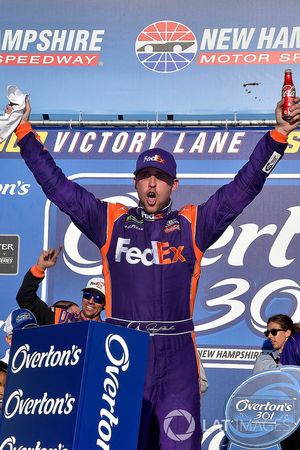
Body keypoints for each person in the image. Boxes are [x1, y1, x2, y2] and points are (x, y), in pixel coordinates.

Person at [14, 96, 300, 450]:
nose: (152, 185)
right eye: (145, 177)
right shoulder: (111, 221)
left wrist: (279, 136)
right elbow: (58, 187)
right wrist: (24, 133)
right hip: (124, 354)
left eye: (161, 178)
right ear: (135, 183)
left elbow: (242, 189)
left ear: (174, 185)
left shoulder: (192, 224)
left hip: (177, 356)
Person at [16, 247, 105, 325]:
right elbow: (25, 298)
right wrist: (39, 268)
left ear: (104, 305)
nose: (90, 301)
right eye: (87, 295)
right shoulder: (62, 319)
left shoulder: (107, 331)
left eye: (98, 298)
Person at [253, 315, 300, 450]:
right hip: (272, 422)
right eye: (267, 332)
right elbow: (255, 392)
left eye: (274, 332)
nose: (270, 336)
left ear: (287, 333)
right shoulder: (264, 360)